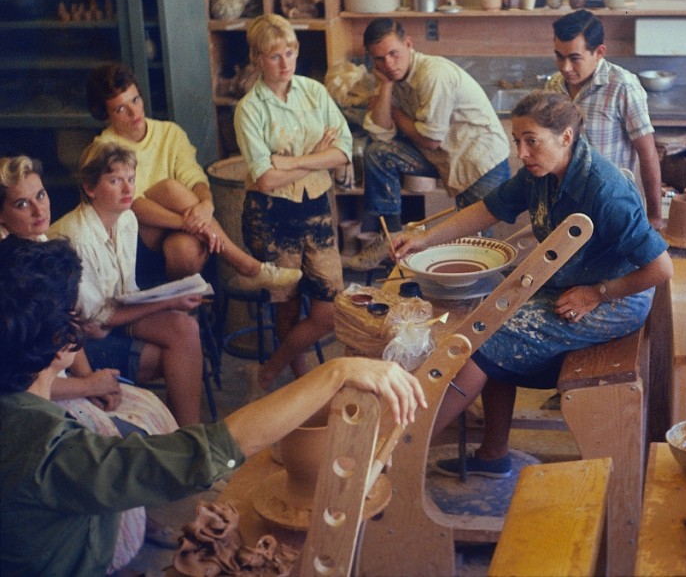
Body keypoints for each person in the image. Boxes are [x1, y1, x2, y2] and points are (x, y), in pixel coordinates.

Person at [0, 236, 426, 576]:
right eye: (75, 314)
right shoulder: (49, 456)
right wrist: (335, 373)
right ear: (62, 341)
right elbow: (201, 455)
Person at [393, 91, 672, 477]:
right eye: (517, 142)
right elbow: (487, 209)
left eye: (531, 141)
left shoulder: (606, 192)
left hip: (616, 299)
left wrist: (597, 294)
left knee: (480, 340)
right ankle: (493, 456)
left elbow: (661, 270)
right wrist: (425, 238)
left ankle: (396, 455)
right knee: (487, 318)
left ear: (566, 137)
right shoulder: (540, 175)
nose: (522, 153)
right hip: (569, 282)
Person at [1, 154, 181, 567]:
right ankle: (104, 544)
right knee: (110, 441)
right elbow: (19, 378)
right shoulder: (9, 274)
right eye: (22, 204)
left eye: (41, 195)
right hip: (30, 399)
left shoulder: (43, 246)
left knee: (146, 408)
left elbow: (70, 328)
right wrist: (87, 386)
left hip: (62, 379)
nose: (39, 208)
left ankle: (142, 514)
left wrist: (95, 378)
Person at [87, 62, 301, 293]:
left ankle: (186, 314)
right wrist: (188, 222)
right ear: (106, 115)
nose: (134, 112)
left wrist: (206, 205)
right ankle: (248, 267)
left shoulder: (169, 132)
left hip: (181, 232)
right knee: (169, 188)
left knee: (183, 250)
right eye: (120, 109)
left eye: (135, 100)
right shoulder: (104, 149)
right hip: (136, 238)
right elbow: (132, 204)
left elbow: (194, 178)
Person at [234, 13, 352, 393]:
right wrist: (316, 156)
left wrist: (293, 161)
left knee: (329, 309)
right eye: (274, 56)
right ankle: (301, 384)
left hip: (317, 207)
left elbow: (344, 151)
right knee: (286, 303)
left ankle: (269, 370)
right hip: (271, 215)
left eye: (290, 52)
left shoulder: (314, 92)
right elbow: (266, 180)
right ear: (257, 59)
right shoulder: (250, 109)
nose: (285, 63)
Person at [49, 142, 205, 426]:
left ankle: (187, 433)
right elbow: (96, 321)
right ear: (90, 188)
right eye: (115, 180)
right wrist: (168, 301)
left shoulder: (128, 220)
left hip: (112, 318)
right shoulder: (76, 235)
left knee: (186, 326)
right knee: (179, 356)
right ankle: (188, 434)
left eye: (131, 179)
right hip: (82, 340)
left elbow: (126, 293)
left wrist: (168, 301)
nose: (127, 189)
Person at [345, 17, 512, 270]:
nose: (389, 64)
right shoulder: (394, 78)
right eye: (379, 59)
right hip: (448, 159)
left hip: (481, 162)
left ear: (409, 44)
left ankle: (478, 305)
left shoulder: (432, 73)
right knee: (378, 153)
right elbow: (381, 134)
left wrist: (395, 113)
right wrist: (386, 86)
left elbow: (431, 140)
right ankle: (388, 236)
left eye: (394, 54)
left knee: (473, 248)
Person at [546, 9, 664, 229]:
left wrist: (654, 216)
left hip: (612, 205)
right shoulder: (554, 85)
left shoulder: (622, 86)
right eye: (559, 57)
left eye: (575, 58)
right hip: (566, 203)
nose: (565, 68)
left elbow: (647, 152)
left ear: (599, 52)